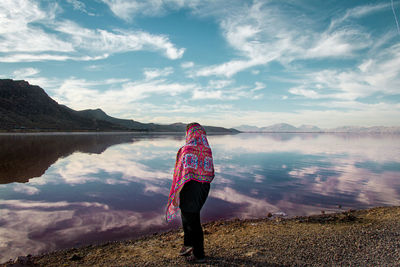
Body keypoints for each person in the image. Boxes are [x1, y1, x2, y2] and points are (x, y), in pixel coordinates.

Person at [166, 122, 215, 263]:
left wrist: (176, 194)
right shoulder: (207, 149)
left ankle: (199, 254)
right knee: (188, 216)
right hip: (203, 188)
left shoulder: (187, 149)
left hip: (189, 188)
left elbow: (184, 174)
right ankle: (187, 245)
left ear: (190, 133)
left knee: (193, 221)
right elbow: (211, 173)